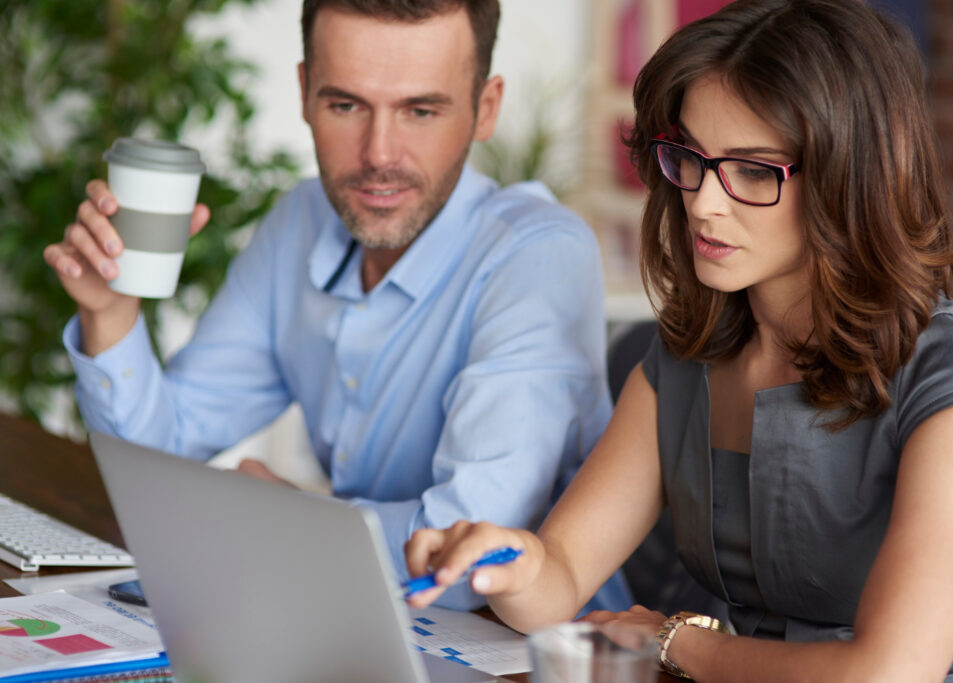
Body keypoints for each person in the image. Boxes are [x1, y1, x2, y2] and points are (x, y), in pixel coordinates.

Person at [404, 0, 953, 679]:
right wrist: (507, 565)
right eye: (691, 157)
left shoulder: (950, 373)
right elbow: (564, 572)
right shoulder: (684, 358)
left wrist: (676, 640)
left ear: (851, 177)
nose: (702, 201)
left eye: (754, 171)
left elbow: (885, 673)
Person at [43, 0, 631, 613]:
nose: (379, 153)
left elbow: (465, 560)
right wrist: (109, 315)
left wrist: (283, 514)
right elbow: (156, 461)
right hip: (353, 617)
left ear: (485, 109)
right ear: (304, 93)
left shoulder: (537, 255)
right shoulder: (299, 222)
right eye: (346, 105)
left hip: (534, 656)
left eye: (421, 110)